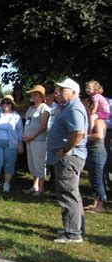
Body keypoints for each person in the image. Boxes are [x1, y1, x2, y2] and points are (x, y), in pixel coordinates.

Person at [47, 77, 88, 244]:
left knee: (67, 193)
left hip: (68, 158)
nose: (58, 92)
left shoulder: (73, 108)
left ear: (73, 92)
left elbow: (78, 133)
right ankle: (76, 228)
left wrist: (65, 150)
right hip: (69, 156)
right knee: (73, 193)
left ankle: (72, 234)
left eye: (63, 90)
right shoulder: (67, 107)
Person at [0, 95, 24, 193]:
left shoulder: (16, 116)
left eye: (8, 103)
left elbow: (20, 132)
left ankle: (6, 185)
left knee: (9, 164)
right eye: (4, 103)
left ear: (12, 105)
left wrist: (20, 144)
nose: (5, 105)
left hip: (11, 144)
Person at [22, 85, 50, 196]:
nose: (32, 96)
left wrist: (33, 136)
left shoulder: (44, 108)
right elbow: (27, 123)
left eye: (35, 95)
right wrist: (25, 135)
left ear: (41, 97)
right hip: (29, 140)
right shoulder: (31, 108)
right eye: (32, 94)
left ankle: (41, 188)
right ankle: (34, 186)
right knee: (32, 164)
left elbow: (43, 125)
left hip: (39, 141)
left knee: (39, 164)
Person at [82, 98, 107, 213]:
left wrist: (84, 137)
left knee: (97, 179)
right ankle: (95, 202)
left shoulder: (98, 121)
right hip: (92, 152)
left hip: (97, 152)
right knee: (92, 178)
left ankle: (100, 206)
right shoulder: (91, 120)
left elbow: (99, 135)